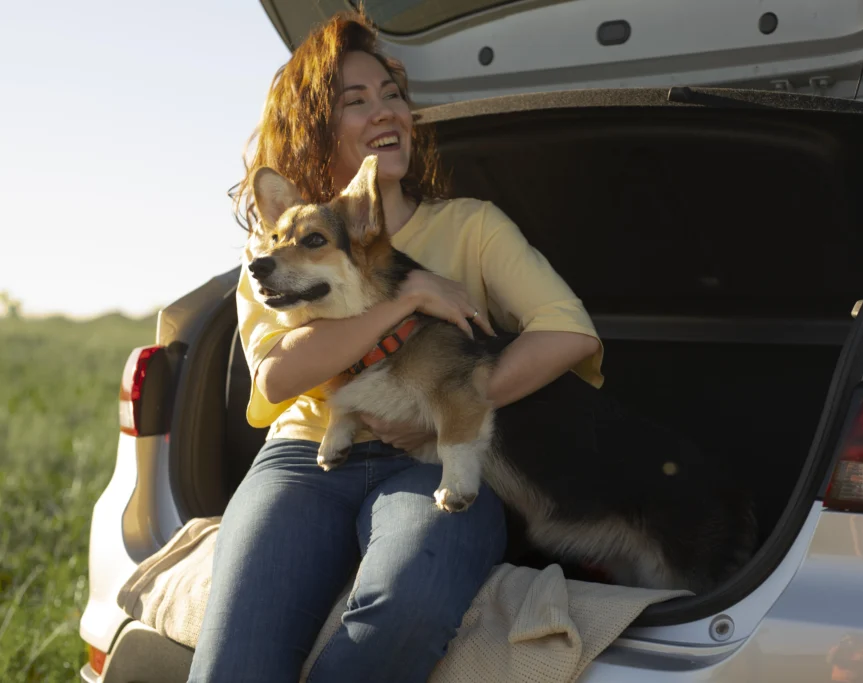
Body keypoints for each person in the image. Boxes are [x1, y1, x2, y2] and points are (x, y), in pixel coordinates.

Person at [188, 9, 603, 683]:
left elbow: (569, 333)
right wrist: (410, 298)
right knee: (234, 661)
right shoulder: (280, 251)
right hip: (303, 459)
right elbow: (276, 377)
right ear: (316, 131)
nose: (388, 113)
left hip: (433, 461)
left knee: (403, 614)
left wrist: (442, 409)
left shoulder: (472, 226)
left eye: (392, 96)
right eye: (357, 102)